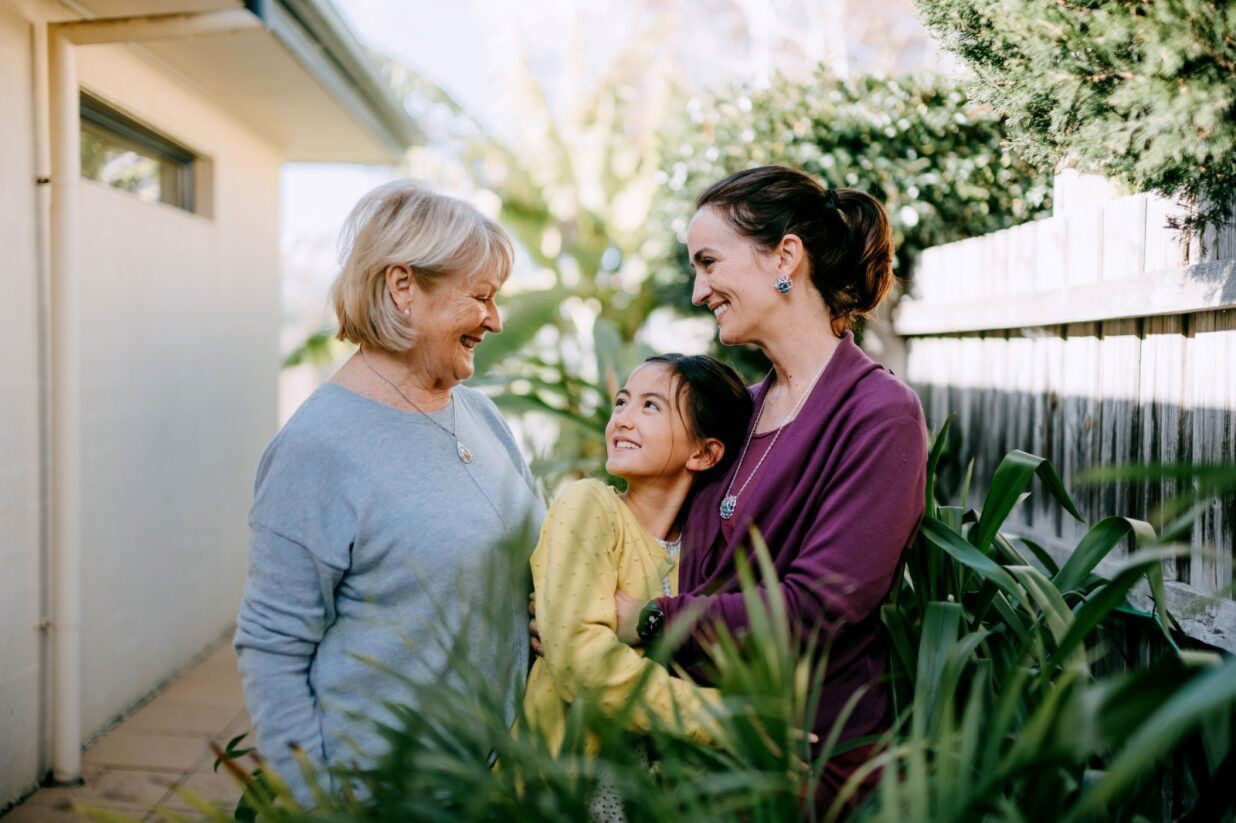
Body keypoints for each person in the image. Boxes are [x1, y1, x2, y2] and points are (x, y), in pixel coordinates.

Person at [611, 166, 928, 808]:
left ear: (786, 255)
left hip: (803, 762)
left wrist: (644, 620)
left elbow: (820, 607)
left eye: (709, 262)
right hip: (703, 752)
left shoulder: (878, 414)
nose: (699, 291)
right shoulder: (739, 410)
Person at [234, 180, 545, 806]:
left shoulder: (480, 415)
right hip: (389, 792)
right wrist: (313, 804)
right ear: (404, 286)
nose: (495, 319)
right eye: (481, 297)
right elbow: (272, 645)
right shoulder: (317, 448)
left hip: (499, 781)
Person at [524, 353, 752, 820]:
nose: (622, 420)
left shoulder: (704, 553)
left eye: (650, 407)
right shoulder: (589, 505)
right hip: (568, 794)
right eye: (622, 402)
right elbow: (581, 659)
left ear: (704, 453)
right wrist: (723, 719)